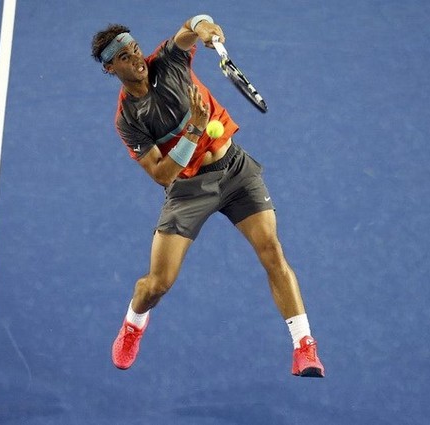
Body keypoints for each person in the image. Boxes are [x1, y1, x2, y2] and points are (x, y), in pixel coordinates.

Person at [91, 14, 325, 377]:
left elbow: (190, 27)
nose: (136, 58)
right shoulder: (128, 119)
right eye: (124, 57)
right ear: (110, 69)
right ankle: (134, 323)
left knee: (272, 251)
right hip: (188, 189)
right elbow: (161, 174)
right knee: (157, 285)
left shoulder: (168, 60)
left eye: (134, 49)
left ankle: (304, 347)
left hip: (235, 170)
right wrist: (194, 130)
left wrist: (204, 27)